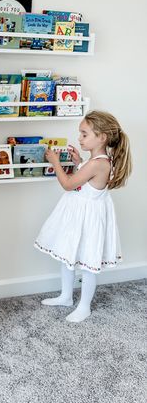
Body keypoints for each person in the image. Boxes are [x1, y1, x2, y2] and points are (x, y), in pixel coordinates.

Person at [34, 111, 132, 322]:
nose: (79, 138)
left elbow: (68, 184)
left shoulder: (99, 163)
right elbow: (87, 179)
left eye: (84, 134)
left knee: (87, 264)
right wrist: (79, 162)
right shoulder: (95, 160)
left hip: (88, 220)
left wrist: (55, 162)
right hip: (78, 216)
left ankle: (84, 306)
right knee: (67, 256)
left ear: (102, 137)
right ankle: (66, 296)